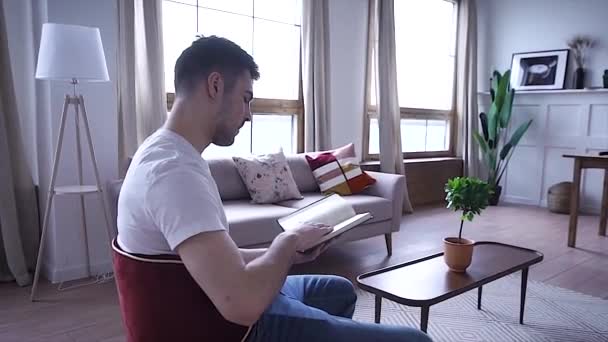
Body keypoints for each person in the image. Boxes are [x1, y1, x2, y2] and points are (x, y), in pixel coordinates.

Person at [116, 35, 432, 342]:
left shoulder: (164, 152)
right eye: (246, 98)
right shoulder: (175, 173)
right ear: (215, 85)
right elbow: (243, 305)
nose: (249, 114)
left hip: (203, 296)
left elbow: (215, 257)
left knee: (338, 290)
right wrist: (287, 241)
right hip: (230, 326)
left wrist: (288, 253)